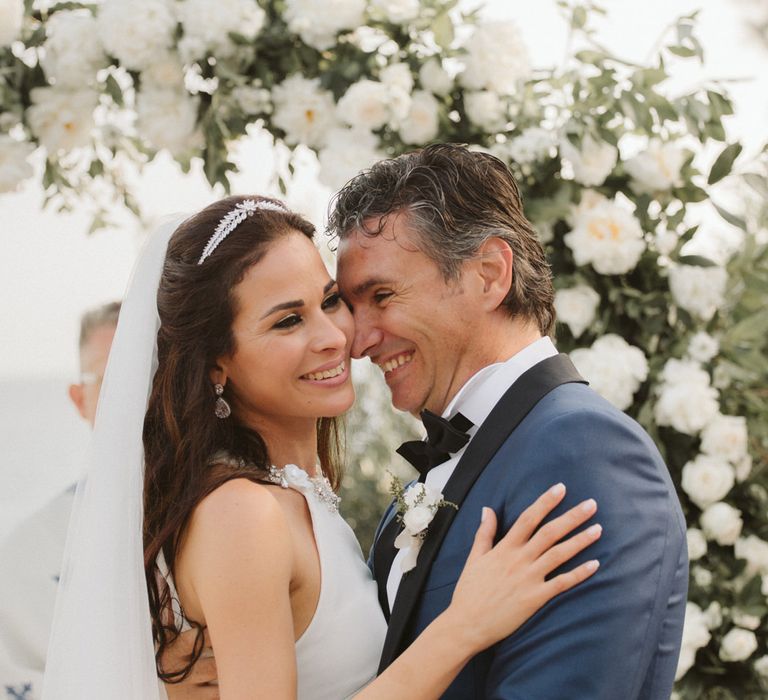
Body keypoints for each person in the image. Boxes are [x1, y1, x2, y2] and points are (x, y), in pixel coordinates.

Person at [42, 197, 601, 699]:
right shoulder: (243, 514)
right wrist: (464, 627)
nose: (334, 336)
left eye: (329, 301)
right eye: (288, 321)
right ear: (217, 363)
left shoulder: (295, 495)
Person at [326, 143, 689, 699]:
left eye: (382, 295)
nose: (357, 341)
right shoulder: (427, 484)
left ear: (491, 273)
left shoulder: (586, 452)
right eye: (353, 307)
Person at [0, 302, 119, 699]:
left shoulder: (238, 513)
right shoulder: (28, 552)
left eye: (153, 373)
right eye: (112, 377)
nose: (136, 396)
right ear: (78, 398)